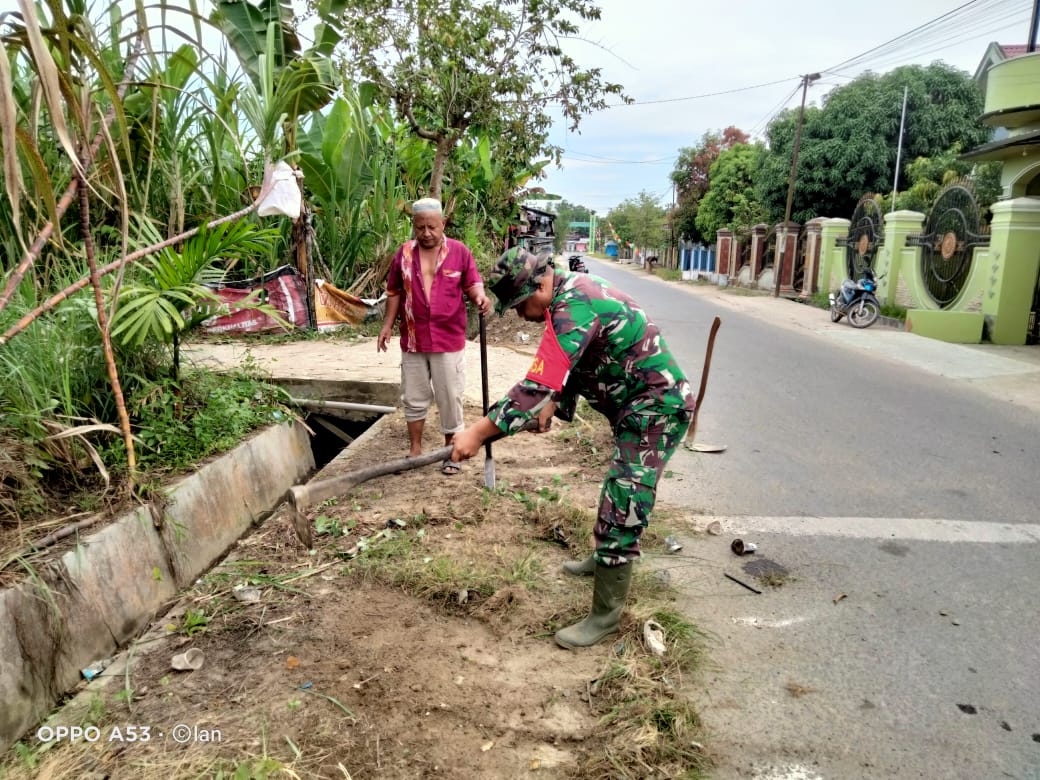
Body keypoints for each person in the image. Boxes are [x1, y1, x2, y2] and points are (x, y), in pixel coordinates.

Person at [449, 248, 696, 649]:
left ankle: (606, 617)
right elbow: (571, 366)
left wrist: (477, 433)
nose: (519, 315)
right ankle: (603, 560)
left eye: (520, 304)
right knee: (617, 491)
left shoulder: (574, 306)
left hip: (657, 411)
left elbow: (536, 383)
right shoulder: (568, 298)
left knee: (624, 499)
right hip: (637, 407)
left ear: (541, 285)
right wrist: (553, 405)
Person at [378, 198, 492, 473]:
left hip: (448, 339)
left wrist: (480, 297)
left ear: (442, 224)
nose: (426, 233)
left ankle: (451, 453)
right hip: (414, 339)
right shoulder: (403, 254)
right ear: (414, 227)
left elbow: (473, 283)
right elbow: (393, 292)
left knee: (449, 396)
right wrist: (387, 326)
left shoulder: (460, 252)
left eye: (432, 227)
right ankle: (415, 449)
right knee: (414, 396)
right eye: (420, 228)